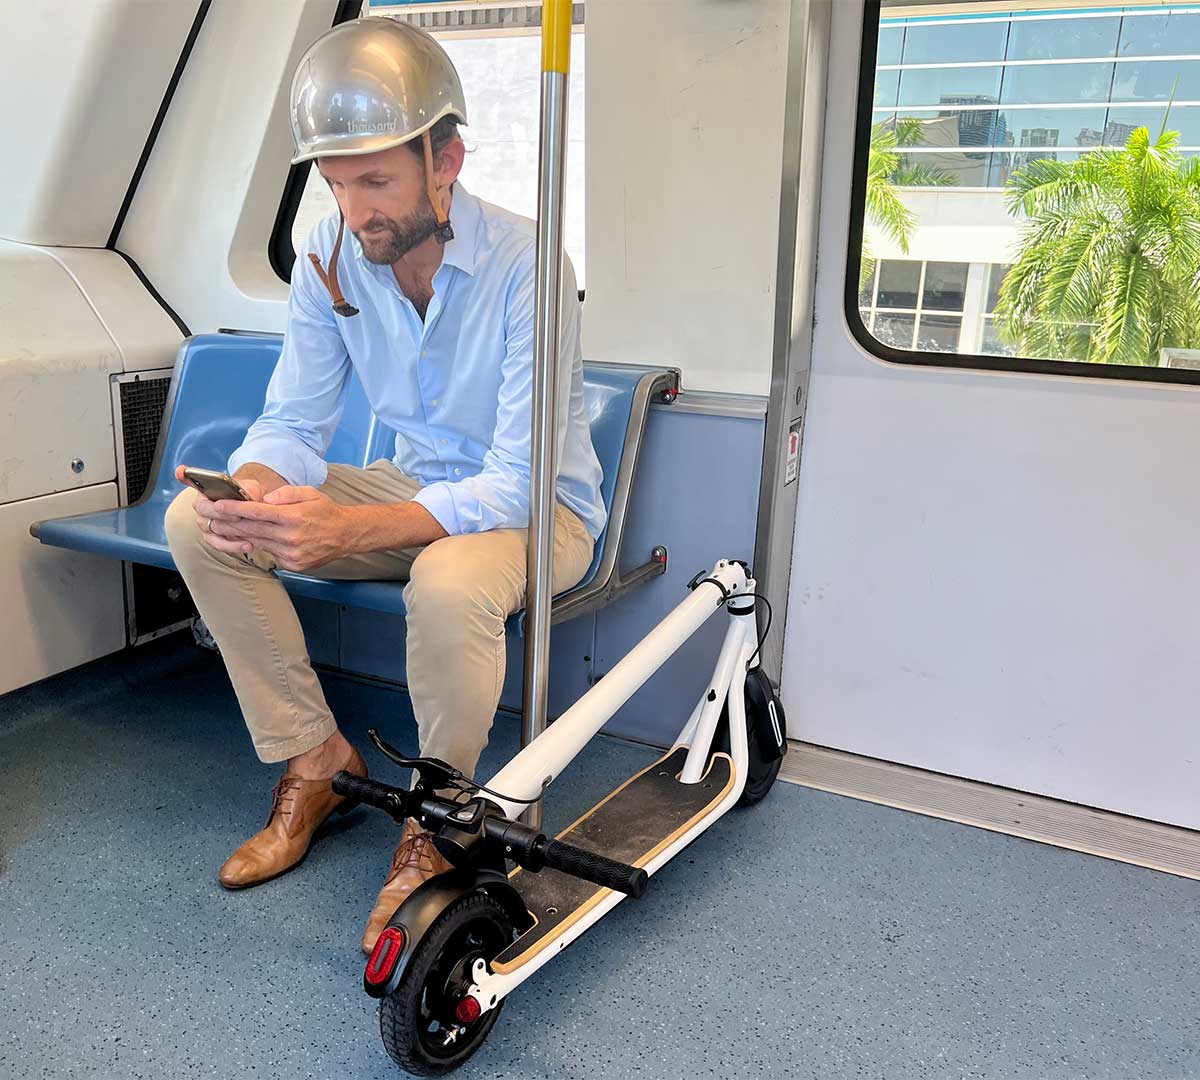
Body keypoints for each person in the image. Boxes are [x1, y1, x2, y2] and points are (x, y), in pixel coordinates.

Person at [164, 17, 603, 954]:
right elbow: (294, 421)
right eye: (334, 182)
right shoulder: (326, 256)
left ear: (446, 160)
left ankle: (438, 815)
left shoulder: (530, 267)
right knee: (198, 524)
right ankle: (315, 759)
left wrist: (343, 534)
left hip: (539, 511)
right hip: (421, 489)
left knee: (446, 579)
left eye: (376, 181)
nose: (353, 208)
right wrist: (251, 487)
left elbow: (515, 482)